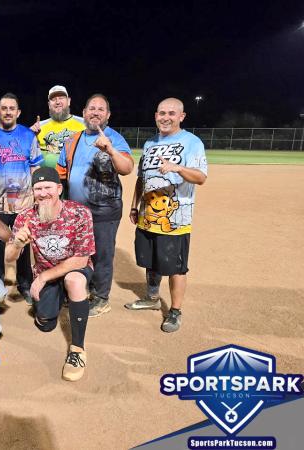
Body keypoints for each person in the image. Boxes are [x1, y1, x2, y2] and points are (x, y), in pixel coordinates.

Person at [125, 97, 208, 333]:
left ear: (181, 117)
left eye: (172, 113)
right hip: (147, 216)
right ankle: (152, 298)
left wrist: (177, 168)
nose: (166, 117)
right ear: (155, 115)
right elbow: (142, 179)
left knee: (175, 267)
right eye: (162, 112)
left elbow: (201, 177)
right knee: (151, 262)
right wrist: (134, 206)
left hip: (176, 220)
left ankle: (175, 311)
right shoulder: (150, 143)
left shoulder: (192, 142)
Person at [5, 167, 95, 382]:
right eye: (38, 188)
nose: (43, 193)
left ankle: (78, 349)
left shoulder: (79, 213)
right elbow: (9, 257)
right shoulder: (25, 217)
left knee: (73, 281)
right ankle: (59, 297)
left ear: (59, 189)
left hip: (75, 268)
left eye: (48, 188)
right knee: (45, 323)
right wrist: (18, 243)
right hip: (46, 271)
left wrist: (43, 278)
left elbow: (81, 259)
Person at [56, 94, 133, 317]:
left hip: (104, 210)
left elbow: (127, 167)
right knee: (78, 253)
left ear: (107, 115)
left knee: (102, 254)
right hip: (76, 211)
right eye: (92, 108)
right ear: (84, 112)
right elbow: (62, 174)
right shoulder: (72, 140)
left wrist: (110, 150)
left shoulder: (114, 138)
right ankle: (81, 290)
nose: (96, 112)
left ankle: (101, 297)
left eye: (101, 109)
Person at [0, 93, 43, 303]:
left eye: (12, 108)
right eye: (4, 108)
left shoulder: (28, 136)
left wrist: (37, 194)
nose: (8, 111)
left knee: (23, 243)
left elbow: (35, 166)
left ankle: (24, 283)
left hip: (23, 202)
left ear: (18, 112)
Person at [29, 85, 85, 168]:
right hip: (47, 177)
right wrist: (29, 135)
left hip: (74, 177)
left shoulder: (84, 124)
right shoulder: (39, 127)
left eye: (61, 98)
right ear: (49, 104)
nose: (57, 102)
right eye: (53, 99)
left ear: (69, 101)